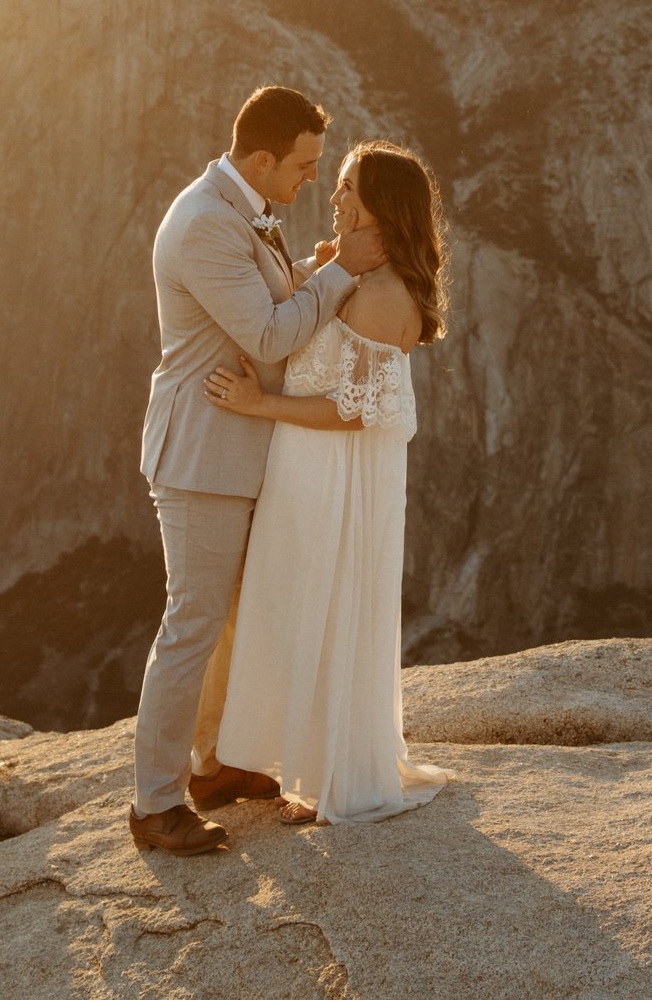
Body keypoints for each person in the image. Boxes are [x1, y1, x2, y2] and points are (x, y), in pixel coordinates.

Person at [127, 86, 385, 855]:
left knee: (237, 617)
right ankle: (154, 804)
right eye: (305, 166)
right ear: (263, 159)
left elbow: (264, 291)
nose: (313, 179)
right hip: (205, 451)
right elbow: (269, 335)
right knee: (194, 624)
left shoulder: (237, 208)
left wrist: (315, 263)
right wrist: (342, 276)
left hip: (237, 446)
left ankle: (213, 766)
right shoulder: (207, 223)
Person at [203, 140, 452, 824]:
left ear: (380, 206)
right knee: (293, 606)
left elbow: (356, 409)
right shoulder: (352, 276)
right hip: (303, 467)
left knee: (327, 604)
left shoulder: (383, 291)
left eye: (347, 188)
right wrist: (325, 268)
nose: (335, 197)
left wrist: (260, 405)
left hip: (334, 474)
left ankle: (335, 775)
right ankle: (300, 760)